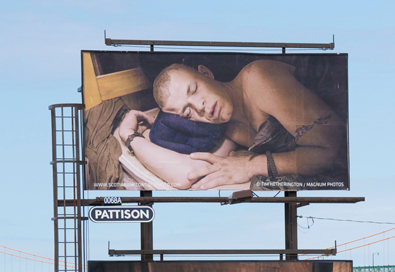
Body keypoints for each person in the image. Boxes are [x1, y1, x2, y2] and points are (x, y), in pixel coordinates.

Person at [116, 60, 345, 190]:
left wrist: (250, 165)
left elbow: (333, 152)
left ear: (206, 72)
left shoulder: (257, 78)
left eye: (194, 90)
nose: (200, 108)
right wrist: (128, 136)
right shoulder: (224, 127)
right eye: (187, 112)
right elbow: (188, 175)